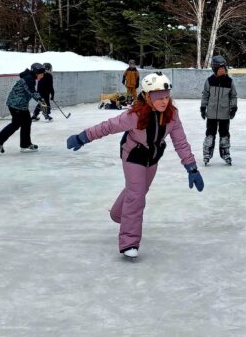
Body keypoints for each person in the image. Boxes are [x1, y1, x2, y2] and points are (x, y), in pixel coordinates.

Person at [66, 72, 204, 259]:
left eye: (166, 97)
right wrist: (83, 137)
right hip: (133, 156)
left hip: (152, 158)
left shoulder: (172, 115)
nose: (164, 102)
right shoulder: (135, 115)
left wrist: (191, 167)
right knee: (137, 195)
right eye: (159, 98)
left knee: (137, 191)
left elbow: (180, 142)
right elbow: (108, 126)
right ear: (148, 97)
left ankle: (117, 214)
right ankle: (129, 242)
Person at [0, 63, 48, 154]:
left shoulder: (30, 78)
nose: (42, 76)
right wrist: (41, 100)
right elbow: (31, 91)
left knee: (27, 122)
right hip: (16, 105)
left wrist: (41, 99)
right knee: (16, 124)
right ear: (36, 73)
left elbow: (31, 91)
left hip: (20, 105)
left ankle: (25, 144)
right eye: (41, 74)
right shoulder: (29, 79)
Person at [200, 55, 238, 166]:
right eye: (220, 69)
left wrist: (233, 108)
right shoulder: (209, 81)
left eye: (224, 69)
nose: (222, 71)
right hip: (211, 114)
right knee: (210, 135)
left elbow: (233, 96)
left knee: (224, 136)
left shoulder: (229, 82)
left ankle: (225, 153)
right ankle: (207, 153)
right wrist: (203, 108)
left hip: (224, 114)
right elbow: (205, 95)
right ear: (214, 69)